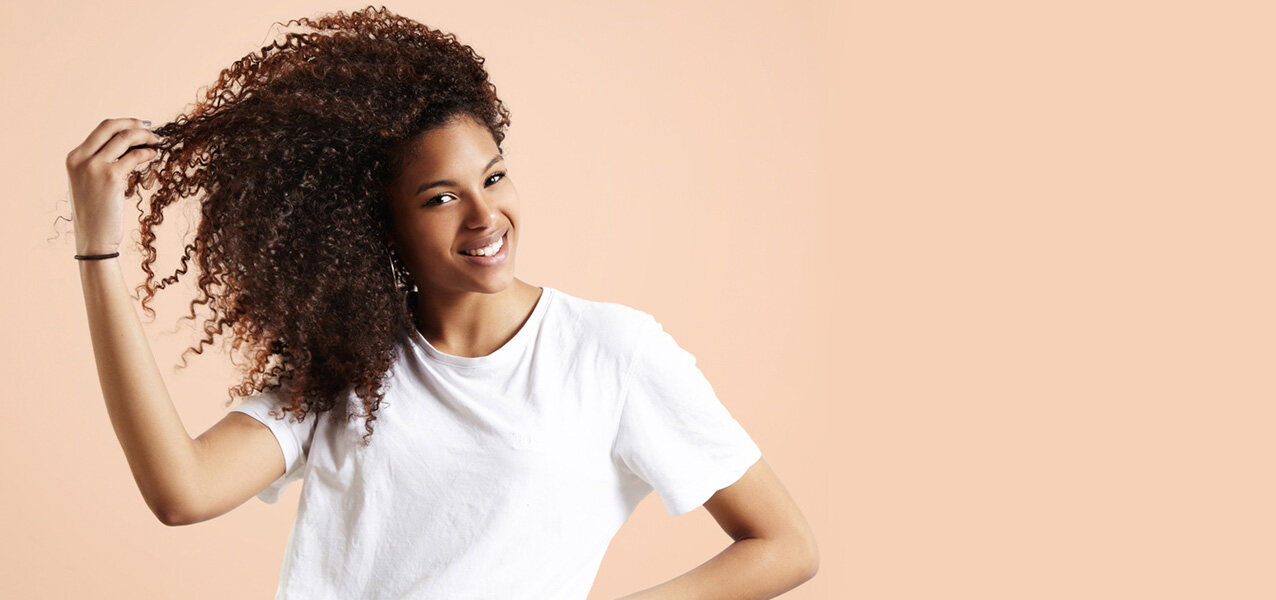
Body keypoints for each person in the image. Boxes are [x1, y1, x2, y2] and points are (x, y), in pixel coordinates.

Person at [65, 6, 817, 599]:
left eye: (492, 178)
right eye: (439, 198)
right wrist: (99, 254)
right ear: (380, 224)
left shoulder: (611, 352)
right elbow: (182, 492)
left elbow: (784, 545)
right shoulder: (350, 367)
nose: (484, 217)